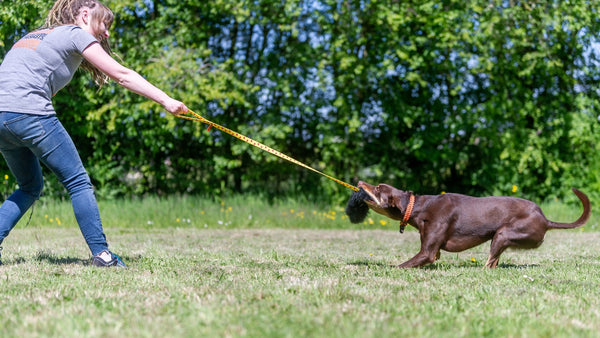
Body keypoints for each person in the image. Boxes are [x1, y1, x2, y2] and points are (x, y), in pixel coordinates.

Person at [0, 0, 188, 267]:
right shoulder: (73, 33)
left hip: (2, 120)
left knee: (30, 186)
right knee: (78, 182)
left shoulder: (35, 36)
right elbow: (122, 75)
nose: (107, 33)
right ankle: (102, 255)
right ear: (85, 15)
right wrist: (166, 100)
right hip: (29, 113)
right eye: (104, 23)